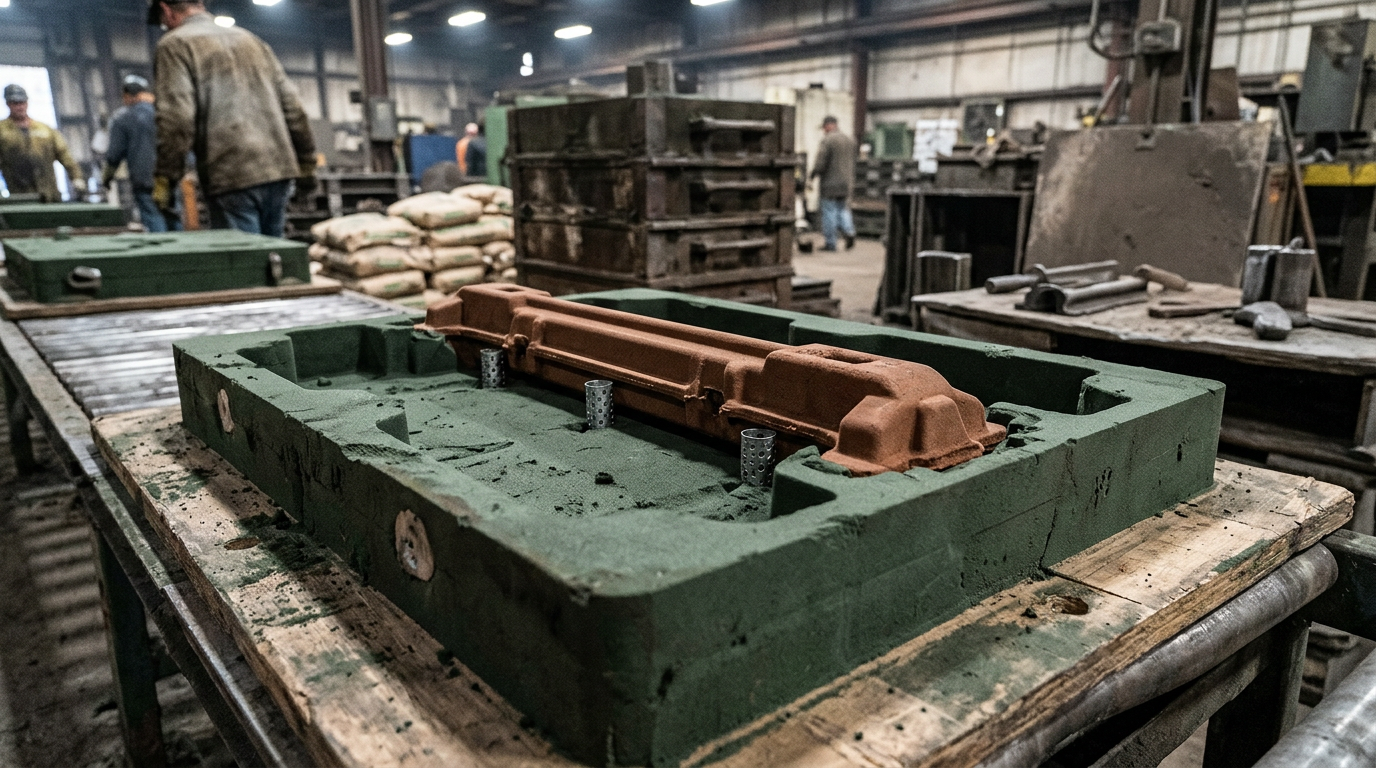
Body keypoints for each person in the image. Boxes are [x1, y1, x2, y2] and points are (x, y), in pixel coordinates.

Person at [147, 0, 316, 237]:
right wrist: (307, 164)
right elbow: (294, 108)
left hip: (231, 173)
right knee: (273, 259)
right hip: (277, 169)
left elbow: (177, 119)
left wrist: (166, 176)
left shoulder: (175, 45)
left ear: (166, 10)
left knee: (242, 265)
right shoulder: (251, 40)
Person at [103, 75, 174, 232]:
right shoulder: (167, 113)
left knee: (154, 222)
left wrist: (107, 177)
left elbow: (114, 154)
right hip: (170, 178)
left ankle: (164, 256)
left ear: (128, 96)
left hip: (145, 181)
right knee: (173, 219)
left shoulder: (122, 119)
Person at [0, 84, 86, 202]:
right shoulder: (2, 131)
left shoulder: (45, 130)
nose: (20, 106)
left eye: (22, 102)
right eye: (15, 103)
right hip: (20, 197)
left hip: (50, 195)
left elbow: (64, 154)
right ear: (8, 104)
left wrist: (76, 178)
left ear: (27, 102)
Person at [809, 115, 857, 252]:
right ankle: (849, 232)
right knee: (843, 209)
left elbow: (821, 162)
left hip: (830, 183)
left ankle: (831, 243)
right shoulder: (849, 140)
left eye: (824, 127)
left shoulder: (827, 140)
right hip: (846, 183)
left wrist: (813, 174)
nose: (824, 130)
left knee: (829, 212)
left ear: (829, 125)